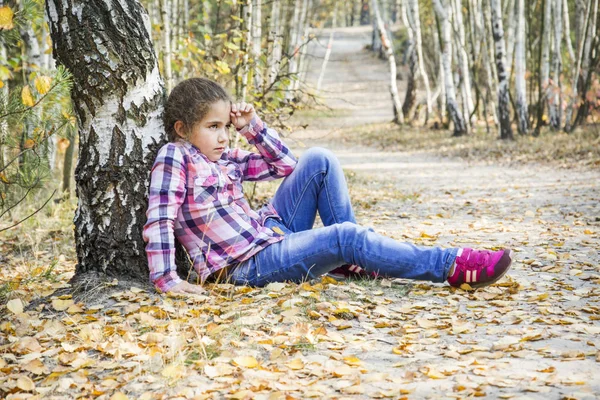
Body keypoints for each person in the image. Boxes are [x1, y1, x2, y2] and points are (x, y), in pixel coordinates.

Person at [143, 78, 512, 295]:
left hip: (269, 233)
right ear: (181, 128)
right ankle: (450, 265)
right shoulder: (176, 157)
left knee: (319, 158)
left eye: (225, 126)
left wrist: (250, 127)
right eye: (213, 127)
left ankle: (355, 262)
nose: (223, 136)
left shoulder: (224, 157)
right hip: (246, 264)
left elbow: (286, 165)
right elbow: (160, 220)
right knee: (345, 236)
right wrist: (166, 279)